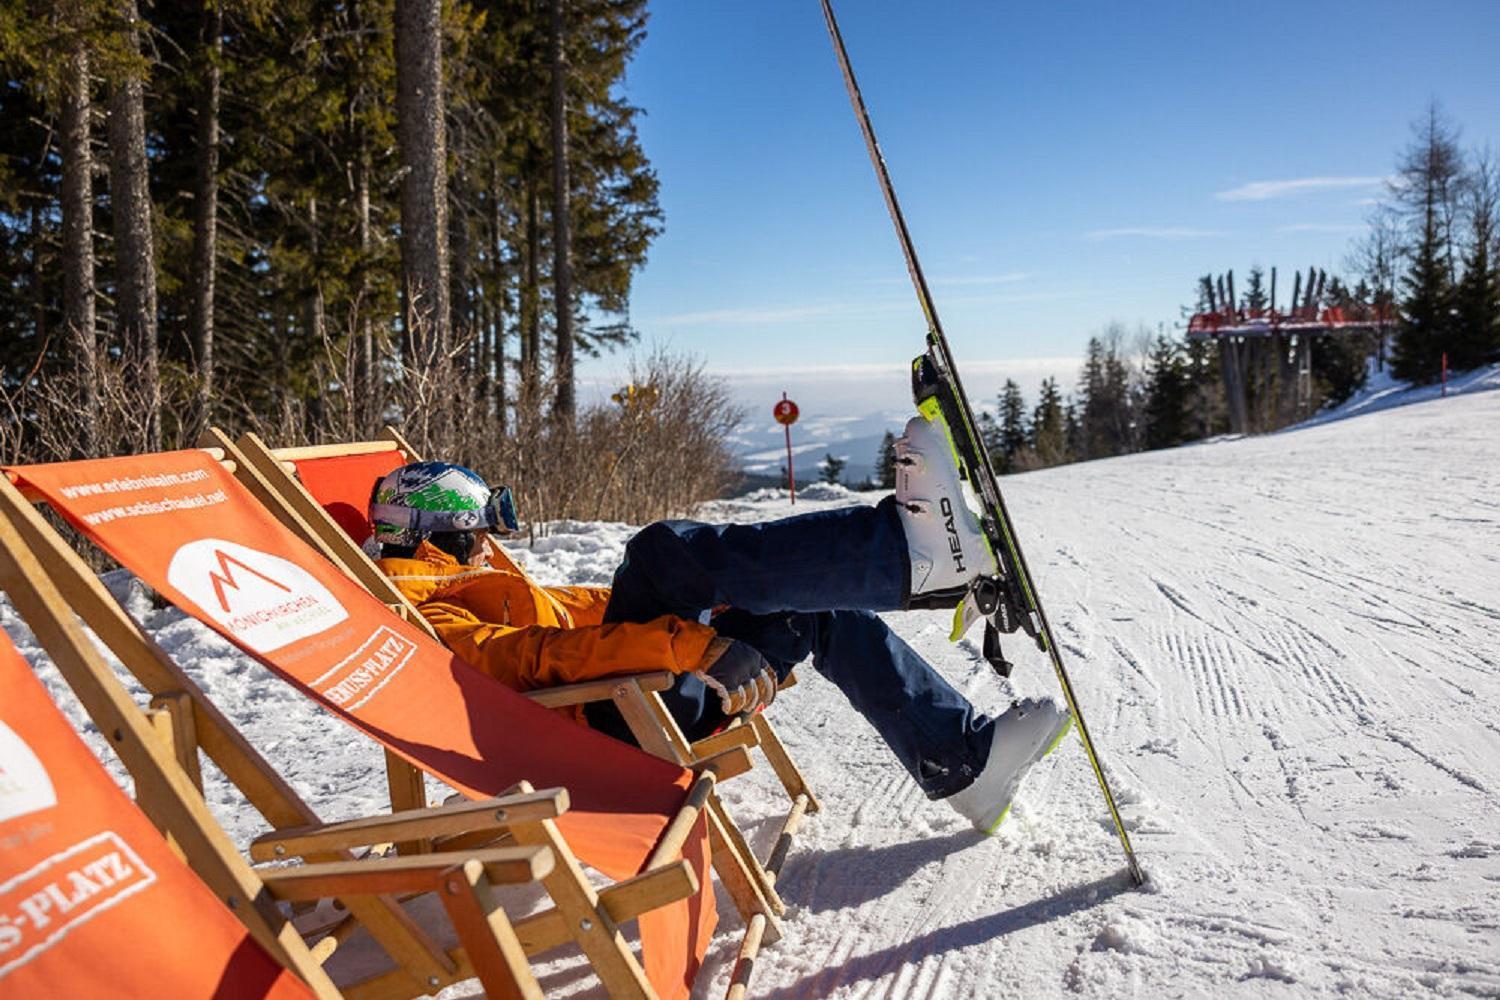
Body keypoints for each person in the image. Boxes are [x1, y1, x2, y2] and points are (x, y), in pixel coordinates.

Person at [370, 415, 1072, 833]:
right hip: (613, 719)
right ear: (439, 534)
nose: (490, 543)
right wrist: (692, 639)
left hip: (636, 695)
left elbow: (577, 615)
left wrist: (720, 611)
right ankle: (907, 559)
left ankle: (962, 762)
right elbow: (541, 658)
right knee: (656, 550)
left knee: (802, 601)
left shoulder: (461, 580)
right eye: (477, 531)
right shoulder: (430, 608)